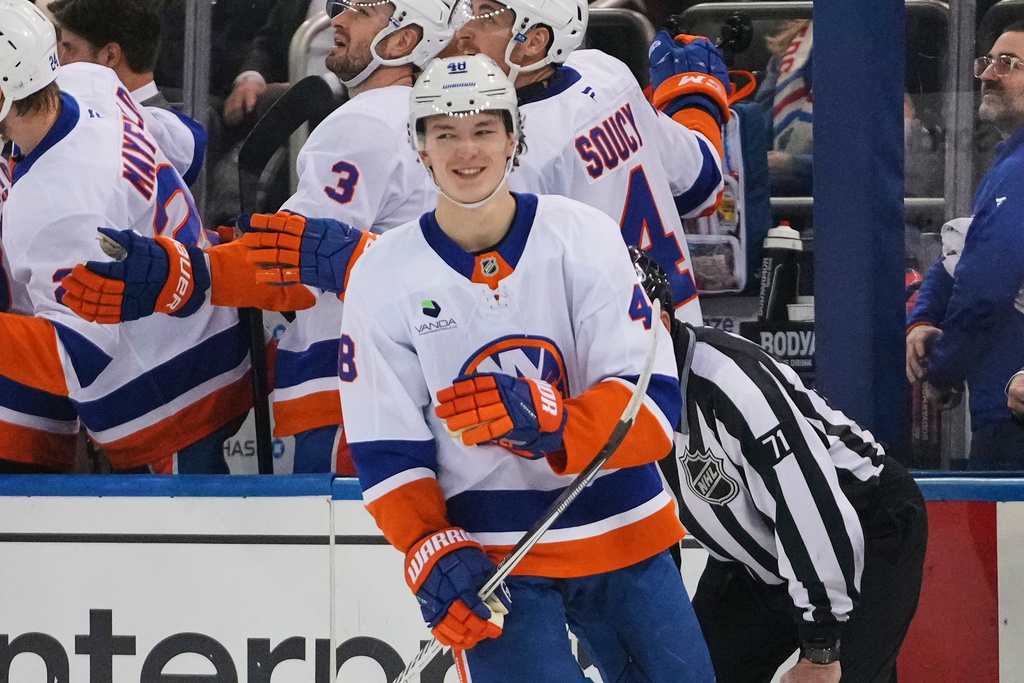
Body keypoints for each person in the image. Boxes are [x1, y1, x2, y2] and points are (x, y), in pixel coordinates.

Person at [339, 54, 714, 682]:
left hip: (624, 534)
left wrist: (552, 421)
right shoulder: (381, 276)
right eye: (445, 133)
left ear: (514, 140)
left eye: (484, 130)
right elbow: (386, 450)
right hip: (494, 561)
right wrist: (429, 545)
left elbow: (652, 411)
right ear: (420, 147)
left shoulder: (585, 236)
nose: (466, 150)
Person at [62, 0, 454, 475]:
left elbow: (295, 264)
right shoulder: (431, 119)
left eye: (360, 12)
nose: (338, 20)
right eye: (338, 7)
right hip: (407, 387)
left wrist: (182, 271)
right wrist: (228, 245)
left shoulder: (366, 121)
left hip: (351, 398)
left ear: (403, 40)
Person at [631, 247, 928, 683]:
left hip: (865, 528)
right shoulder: (610, 394)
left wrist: (821, 648)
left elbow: (806, 504)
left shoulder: (733, 386)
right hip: (754, 558)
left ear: (660, 324)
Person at [0, 0, 252, 474]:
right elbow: (189, 146)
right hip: (213, 334)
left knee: (181, 546)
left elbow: (78, 356)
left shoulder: (56, 205)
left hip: (170, 396)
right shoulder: (90, 80)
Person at [442, 0, 728, 324]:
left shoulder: (513, 148)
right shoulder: (607, 73)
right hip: (682, 335)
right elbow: (702, 185)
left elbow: (496, 302)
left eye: (486, 16)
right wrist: (695, 98)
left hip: (603, 358)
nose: (463, 32)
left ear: (535, 41)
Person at [907, 22, 1024, 468]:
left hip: (1012, 418)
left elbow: (984, 291)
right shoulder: (1007, 166)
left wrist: (944, 370)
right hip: (1003, 406)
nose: (988, 74)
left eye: (1008, 64)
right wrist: (923, 318)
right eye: (987, 61)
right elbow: (960, 252)